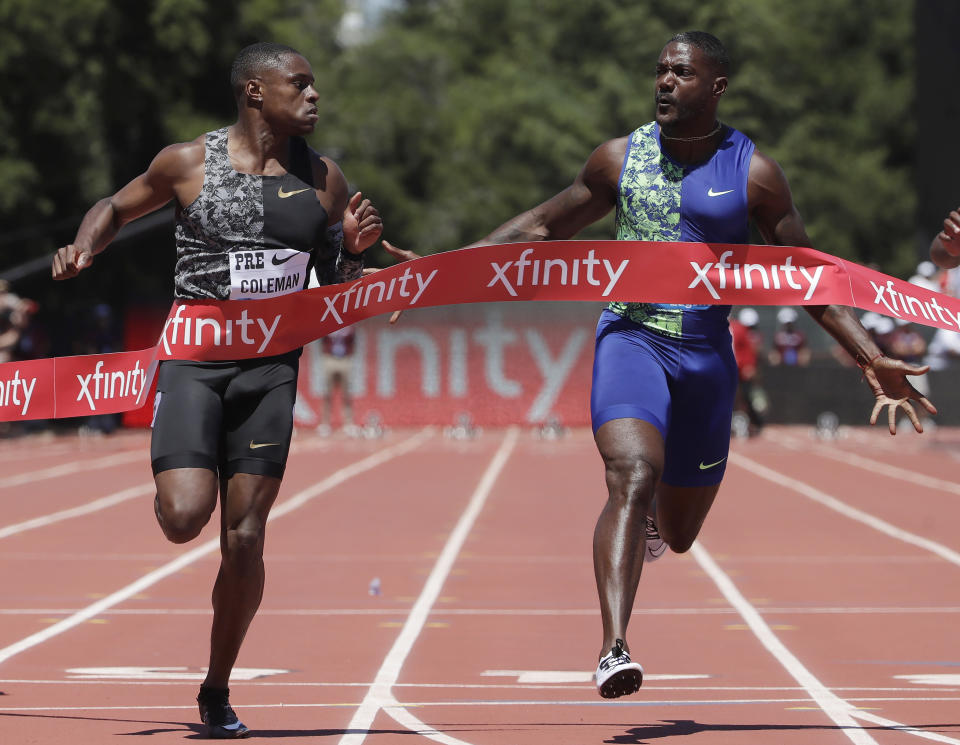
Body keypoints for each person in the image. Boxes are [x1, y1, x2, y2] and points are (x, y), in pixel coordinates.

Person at [461, 31, 934, 699]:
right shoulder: (617, 159)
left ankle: (656, 516)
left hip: (707, 360)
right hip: (633, 338)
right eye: (658, 70)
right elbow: (542, 224)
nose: (663, 82)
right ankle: (613, 647)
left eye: (680, 72)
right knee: (628, 473)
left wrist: (867, 356)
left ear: (716, 87)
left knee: (679, 534)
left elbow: (807, 276)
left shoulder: (755, 174)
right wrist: (438, 272)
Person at [51, 42, 383, 738]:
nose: (315, 95)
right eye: (301, 84)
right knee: (182, 516)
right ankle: (182, 463)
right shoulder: (188, 163)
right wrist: (86, 244)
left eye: (315, 84)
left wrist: (351, 253)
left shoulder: (323, 180)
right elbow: (114, 205)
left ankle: (216, 685)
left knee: (246, 536)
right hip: (195, 364)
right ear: (256, 92)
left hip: (269, 373)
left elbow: (337, 293)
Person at [729, 307, 766, 435]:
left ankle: (752, 423)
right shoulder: (712, 325)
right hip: (723, 369)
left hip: (740, 369)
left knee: (746, 396)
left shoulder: (738, 328)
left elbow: (747, 349)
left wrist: (749, 365)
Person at [317, 324, 357, 435]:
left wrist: (350, 355)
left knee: (347, 393)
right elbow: (322, 340)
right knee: (327, 393)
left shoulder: (350, 326)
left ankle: (348, 423)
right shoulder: (328, 323)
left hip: (345, 359)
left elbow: (353, 341)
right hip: (330, 358)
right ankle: (325, 423)